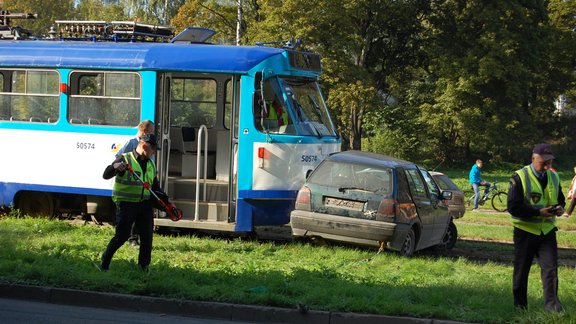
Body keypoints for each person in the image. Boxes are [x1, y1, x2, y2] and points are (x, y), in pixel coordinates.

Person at [507, 143, 565, 312]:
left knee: (551, 270)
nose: (547, 166)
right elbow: (513, 207)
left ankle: (552, 306)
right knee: (521, 271)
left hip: (547, 231)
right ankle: (520, 307)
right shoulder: (519, 177)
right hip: (525, 232)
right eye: (543, 163)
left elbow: (560, 199)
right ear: (533, 159)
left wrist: (560, 207)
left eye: (550, 162)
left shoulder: (554, 176)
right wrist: (538, 211)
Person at [100, 134, 160, 272]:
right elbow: (106, 174)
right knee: (122, 236)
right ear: (144, 147)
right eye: (153, 150)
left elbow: (155, 186)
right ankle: (105, 260)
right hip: (126, 204)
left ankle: (144, 268)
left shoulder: (150, 163)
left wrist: (164, 200)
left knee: (147, 237)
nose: (154, 153)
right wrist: (115, 167)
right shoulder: (125, 159)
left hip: (144, 204)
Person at [115, 120, 155, 247]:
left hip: (144, 186)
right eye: (152, 131)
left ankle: (136, 240)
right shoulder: (131, 143)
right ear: (145, 131)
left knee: (142, 217)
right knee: (129, 218)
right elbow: (119, 158)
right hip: (132, 185)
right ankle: (132, 239)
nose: (153, 134)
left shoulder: (150, 144)